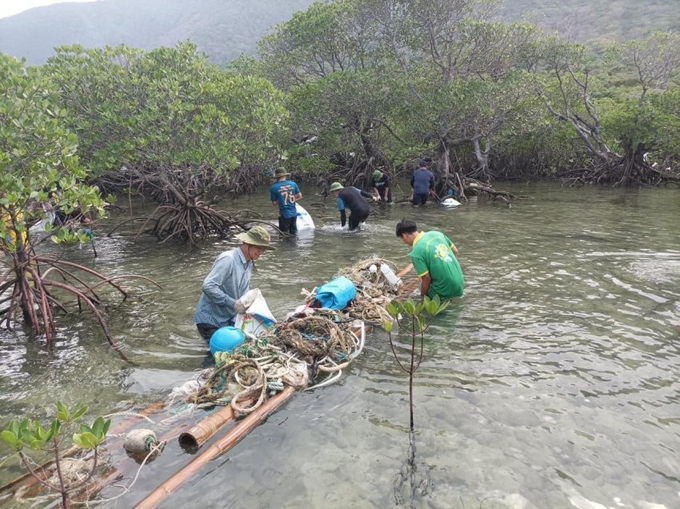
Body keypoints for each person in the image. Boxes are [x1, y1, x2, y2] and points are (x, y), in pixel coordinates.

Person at [193, 225, 274, 340]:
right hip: (211, 320)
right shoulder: (228, 259)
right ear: (247, 243)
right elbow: (208, 286)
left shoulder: (249, 262)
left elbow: (242, 291)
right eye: (259, 248)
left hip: (228, 317)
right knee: (217, 354)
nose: (262, 252)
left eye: (264, 249)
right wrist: (234, 304)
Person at [395, 219, 464, 300]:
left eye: (402, 239)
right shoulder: (437, 234)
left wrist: (423, 298)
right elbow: (455, 251)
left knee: (424, 307)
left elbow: (426, 279)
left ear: (404, 235)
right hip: (460, 282)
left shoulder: (416, 252)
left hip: (442, 289)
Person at [270, 167, 302, 234]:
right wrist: (291, 200)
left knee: (283, 235)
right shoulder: (293, 184)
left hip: (284, 214)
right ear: (285, 175)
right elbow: (300, 196)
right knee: (294, 234)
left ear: (277, 177)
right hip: (294, 214)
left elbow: (274, 203)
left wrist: (282, 201)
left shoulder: (273, 187)